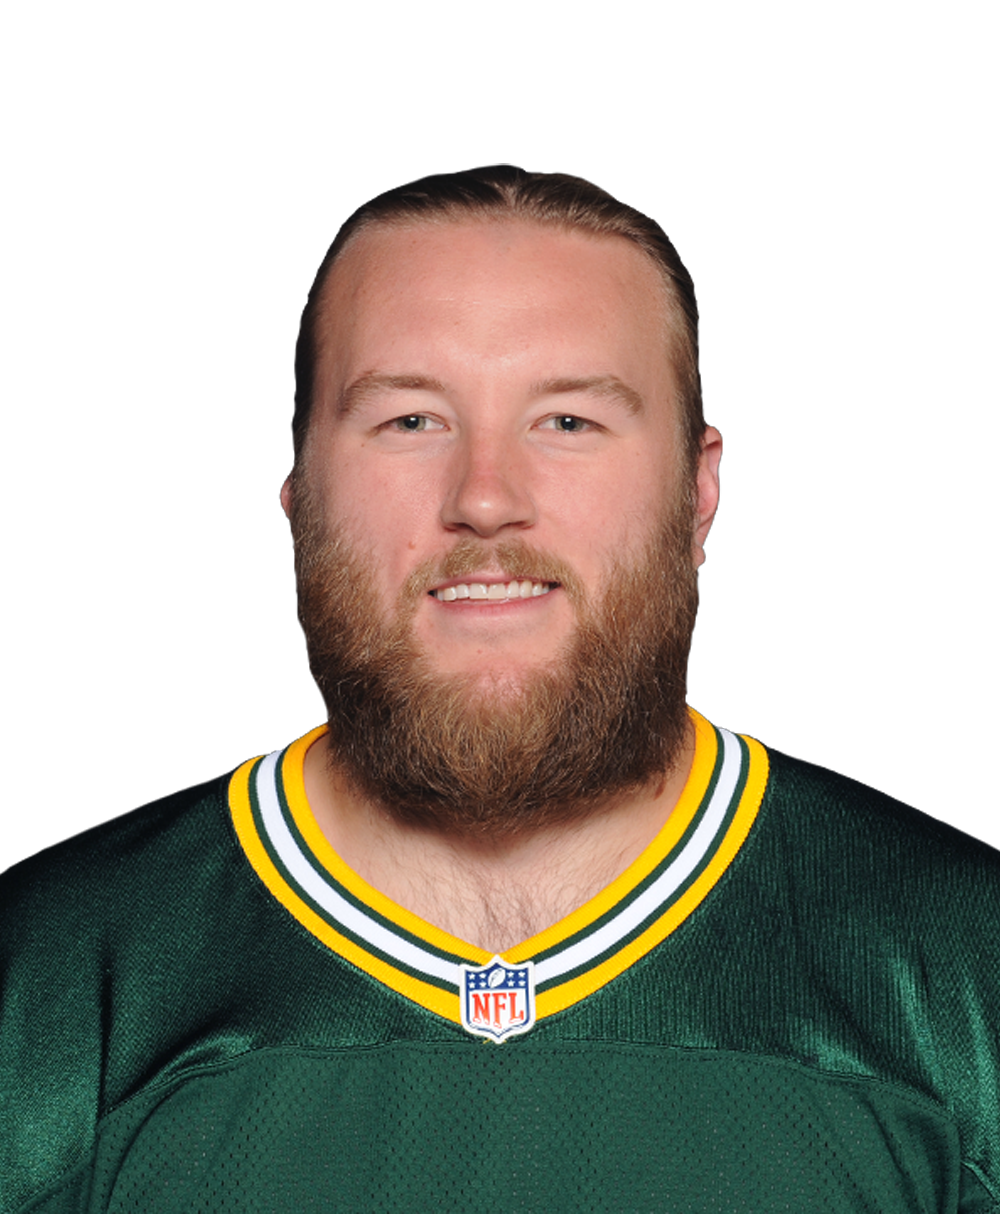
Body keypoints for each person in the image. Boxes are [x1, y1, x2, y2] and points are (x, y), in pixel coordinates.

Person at [1, 167, 998, 1213]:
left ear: (701, 491)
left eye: (567, 421)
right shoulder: (52, 978)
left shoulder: (960, 966)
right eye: (409, 420)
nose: (484, 497)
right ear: (298, 491)